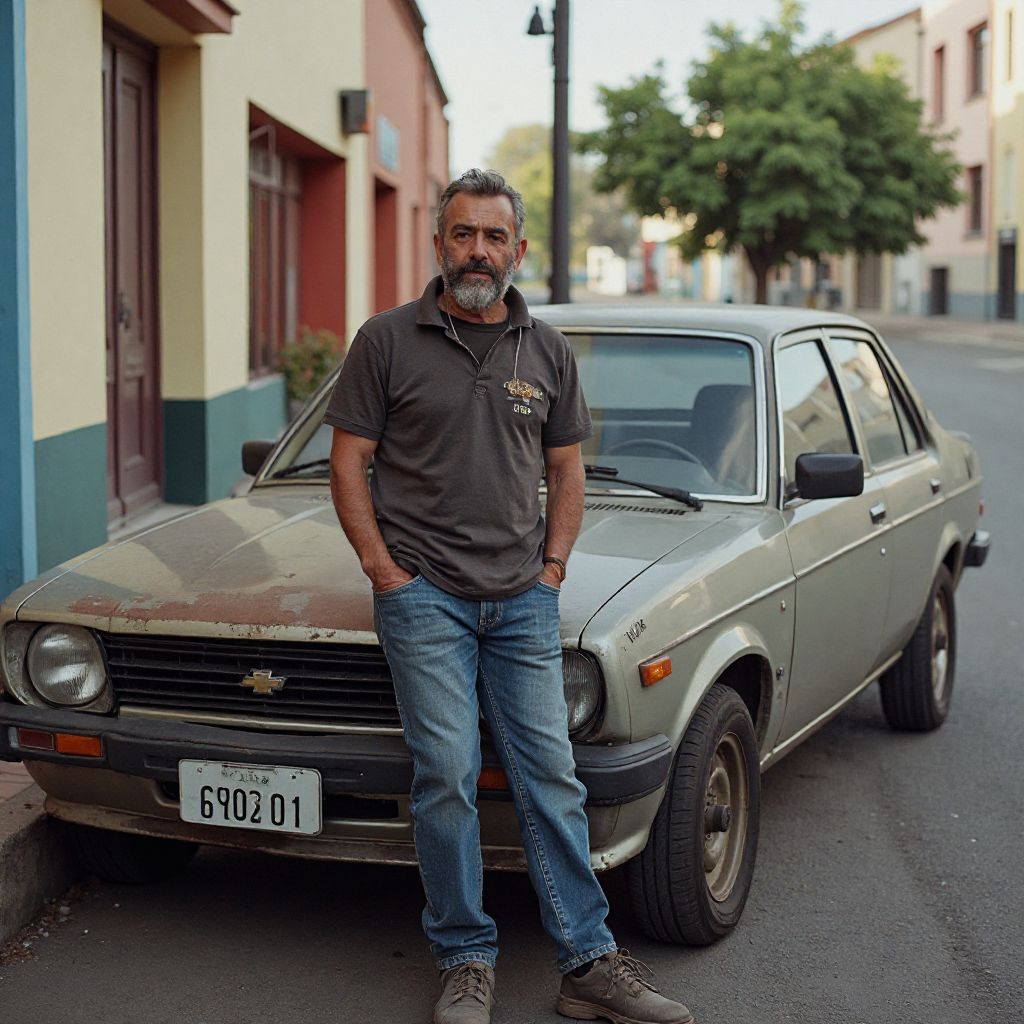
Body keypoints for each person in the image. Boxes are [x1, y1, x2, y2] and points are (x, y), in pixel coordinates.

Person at [325, 169, 694, 1024]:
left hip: (522, 602)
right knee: (447, 777)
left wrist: (553, 567)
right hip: (424, 600)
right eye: (463, 234)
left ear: (518, 249)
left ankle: (587, 964)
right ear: (438, 243)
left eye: (494, 236)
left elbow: (566, 469)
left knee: (551, 778)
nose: (478, 251)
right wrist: (384, 571)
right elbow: (349, 461)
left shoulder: (548, 350)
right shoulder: (385, 340)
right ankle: (465, 957)